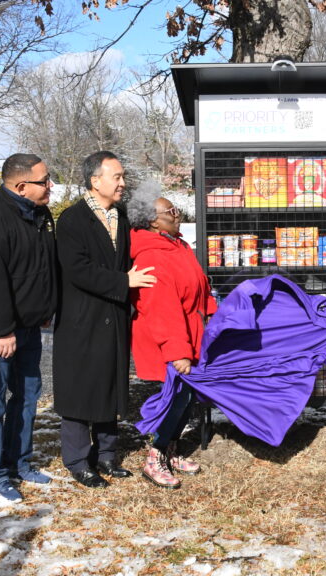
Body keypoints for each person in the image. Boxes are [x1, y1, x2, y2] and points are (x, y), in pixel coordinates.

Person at [53, 151, 155, 489]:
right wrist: (124, 282)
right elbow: (78, 270)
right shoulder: (72, 220)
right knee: (81, 389)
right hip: (83, 319)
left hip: (114, 315)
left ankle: (108, 455)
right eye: (117, 177)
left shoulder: (121, 217)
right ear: (95, 181)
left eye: (123, 176)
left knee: (111, 384)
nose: (123, 183)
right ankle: (79, 461)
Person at [0, 154, 58, 502]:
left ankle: (19, 463)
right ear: (21, 187)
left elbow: (44, 265)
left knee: (28, 395)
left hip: (31, 325)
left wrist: (47, 307)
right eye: (44, 181)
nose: (50, 186)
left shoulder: (39, 215)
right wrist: (2, 330)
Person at [128, 184, 217, 489]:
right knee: (176, 397)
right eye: (171, 211)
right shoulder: (152, 255)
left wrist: (213, 313)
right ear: (152, 221)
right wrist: (177, 351)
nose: (177, 215)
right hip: (166, 339)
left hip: (189, 331)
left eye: (176, 210)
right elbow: (162, 309)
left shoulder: (178, 246)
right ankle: (154, 456)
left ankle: (170, 450)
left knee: (187, 395)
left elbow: (198, 285)